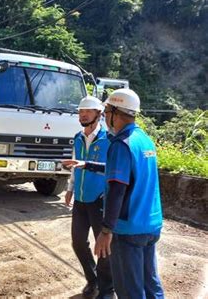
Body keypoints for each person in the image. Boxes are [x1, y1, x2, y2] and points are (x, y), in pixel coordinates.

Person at [94, 88, 164, 298]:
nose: (105, 118)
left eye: (106, 112)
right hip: (150, 225)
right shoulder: (144, 140)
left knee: (129, 289)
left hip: (129, 229)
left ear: (115, 112)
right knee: (150, 284)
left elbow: (117, 190)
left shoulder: (121, 145)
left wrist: (106, 231)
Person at [62, 96, 114, 299]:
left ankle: (106, 287)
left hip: (100, 198)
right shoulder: (77, 137)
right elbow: (75, 166)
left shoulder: (108, 139)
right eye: (80, 111)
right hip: (81, 199)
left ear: (99, 114)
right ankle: (93, 281)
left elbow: (112, 170)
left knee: (102, 246)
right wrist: (70, 188)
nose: (83, 114)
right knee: (78, 242)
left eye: (88, 111)